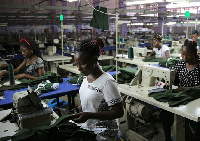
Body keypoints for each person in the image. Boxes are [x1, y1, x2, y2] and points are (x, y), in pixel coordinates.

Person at [71, 38, 124, 141]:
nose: (79, 68)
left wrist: (89, 115)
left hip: (105, 132)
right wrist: (79, 109)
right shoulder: (86, 78)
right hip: (88, 126)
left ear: (94, 60)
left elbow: (119, 112)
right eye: (77, 64)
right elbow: (90, 101)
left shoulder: (107, 82)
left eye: (82, 64)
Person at [161, 39, 200, 141]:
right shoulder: (181, 63)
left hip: (196, 99)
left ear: (195, 54)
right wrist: (168, 83)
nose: (185, 58)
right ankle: (167, 138)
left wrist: (188, 89)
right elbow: (174, 77)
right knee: (165, 113)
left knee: (193, 120)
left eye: (188, 55)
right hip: (182, 95)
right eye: (183, 55)